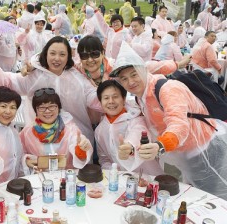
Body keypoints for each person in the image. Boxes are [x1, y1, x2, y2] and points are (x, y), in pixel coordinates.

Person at [109, 41, 227, 200]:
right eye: (123, 79)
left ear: (144, 70)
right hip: (182, 154)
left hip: (205, 149)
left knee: (214, 199)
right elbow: (145, 127)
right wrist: (131, 146)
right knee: (189, 198)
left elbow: (179, 124)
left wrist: (160, 145)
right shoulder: (140, 98)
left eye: (134, 74)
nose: (130, 82)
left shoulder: (167, 89)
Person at [0, 36, 102, 144]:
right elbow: (8, 81)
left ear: (69, 57)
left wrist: (115, 97)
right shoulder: (35, 76)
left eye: (62, 54)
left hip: (76, 139)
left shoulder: (77, 77)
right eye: (52, 53)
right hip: (40, 140)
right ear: (45, 54)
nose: (57, 58)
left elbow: (95, 98)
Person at [95, 80, 163, 175]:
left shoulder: (135, 119)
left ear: (123, 99)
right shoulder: (99, 130)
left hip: (147, 176)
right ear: (101, 102)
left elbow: (139, 132)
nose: (111, 101)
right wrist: (114, 171)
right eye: (106, 98)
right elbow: (104, 158)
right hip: (119, 181)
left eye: (115, 97)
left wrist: (130, 146)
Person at [20, 88, 92, 173]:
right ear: (36, 111)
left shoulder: (70, 130)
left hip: (65, 178)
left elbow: (80, 156)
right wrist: (26, 161)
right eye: (42, 107)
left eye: (52, 106)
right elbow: (18, 155)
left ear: (58, 108)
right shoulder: (27, 132)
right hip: (40, 179)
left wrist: (81, 149)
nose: (47, 111)